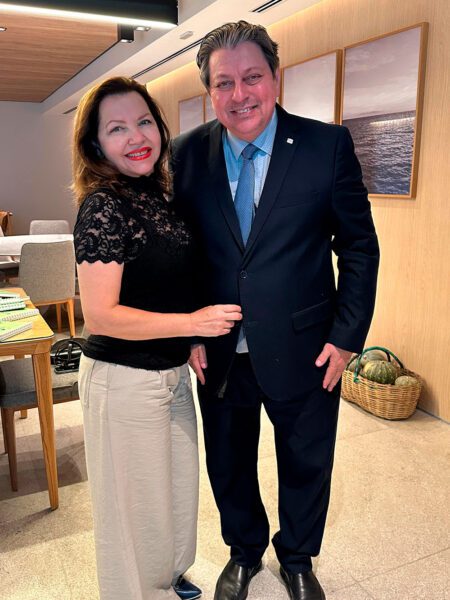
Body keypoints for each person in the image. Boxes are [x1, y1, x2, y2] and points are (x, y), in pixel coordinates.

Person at [171, 21, 379, 600]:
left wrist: (347, 336)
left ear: (275, 77)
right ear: (210, 91)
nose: (240, 94)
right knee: (228, 461)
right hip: (219, 349)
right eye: (224, 83)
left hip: (307, 344)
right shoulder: (185, 155)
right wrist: (188, 331)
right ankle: (243, 552)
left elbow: (358, 247)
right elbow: (179, 252)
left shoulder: (325, 147)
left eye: (252, 77)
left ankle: (298, 558)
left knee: (307, 460)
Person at [72, 76, 242, 600]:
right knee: (134, 515)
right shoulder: (103, 206)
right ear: (95, 145)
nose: (136, 136)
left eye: (144, 121)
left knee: (173, 497)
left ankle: (167, 581)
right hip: (123, 380)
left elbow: (162, 285)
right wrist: (194, 323)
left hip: (168, 374)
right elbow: (102, 316)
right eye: (117, 128)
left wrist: (186, 339)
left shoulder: (155, 195)